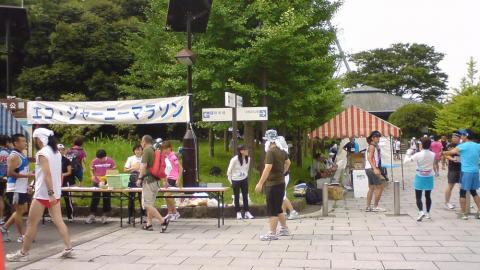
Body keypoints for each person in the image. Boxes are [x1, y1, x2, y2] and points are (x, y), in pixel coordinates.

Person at [6, 128, 73, 262]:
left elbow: (46, 175)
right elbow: (54, 174)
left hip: (43, 194)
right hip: (54, 193)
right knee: (59, 221)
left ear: (40, 139)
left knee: (31, 224)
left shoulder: (42, 153)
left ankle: (23, 254)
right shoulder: (56, 153)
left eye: (35, 139)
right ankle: (68, 248)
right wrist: (54, 192)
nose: (34, 142)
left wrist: (49, 193)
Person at [255, 130, 291, 241]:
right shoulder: (281, 151)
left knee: (272, 210)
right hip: (280, 182)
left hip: (273, 184)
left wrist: (260, 183)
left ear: (268, 141)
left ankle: (272, 233)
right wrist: (283, 172)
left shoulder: (271, 152)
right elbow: (288, 162)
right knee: (278, 207)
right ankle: (284, 228)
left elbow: (267, 168)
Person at [1, 134, 34, 243]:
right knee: (19, 211)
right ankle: (22, 236)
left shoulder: (22, 155)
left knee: (22, 210)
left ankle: (4, 227)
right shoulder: (14, 156)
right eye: (23, 141)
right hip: (15, 188)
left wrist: (27, 184)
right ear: (16, 143)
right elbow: (9, 173)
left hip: (21, 188)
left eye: (25, 141)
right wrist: (27, 176)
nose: (25, 143)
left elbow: (22, 171)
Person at [443, 129, 480, 220]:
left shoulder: (462, 146)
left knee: (462, 193)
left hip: (466, 172)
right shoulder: (478, 146)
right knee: (474, 192)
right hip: (475, 171)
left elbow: (451, 153)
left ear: (466, 136)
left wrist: (442, 153)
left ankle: (463, 214)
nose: (461, 136)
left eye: (462, 135)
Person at [137, 135, 169, 232]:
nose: (141, 144)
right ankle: (149, 224)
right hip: (156, 180)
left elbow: (143, 165)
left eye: (141, 141)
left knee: (147, 205)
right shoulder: (155, 150)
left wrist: (139, 178)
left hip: (148, 180)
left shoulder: (147, 150)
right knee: (150, 204)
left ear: (144, 142)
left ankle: (163, 221)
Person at [404, 137, 435, 221]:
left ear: (421, 144)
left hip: (419, 176)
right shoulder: (433, 154)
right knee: (428, 196)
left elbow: (405, 162)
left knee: (418, 196)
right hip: (429, 176)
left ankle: (421, 211)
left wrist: (407, 153)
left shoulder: (418, 155)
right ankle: (428, 213)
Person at [86, 149, 116, 224]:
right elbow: (91, 169)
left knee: (106, 198)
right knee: (95, 198)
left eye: (101, 158)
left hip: (107, 181)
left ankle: (105, 215)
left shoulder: (110, 161)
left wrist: (107, 179)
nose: (100, 160)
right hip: (97, 181)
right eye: (98, 158)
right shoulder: (94, 161)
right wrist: (92, 176)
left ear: (105, 156)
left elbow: (114, 170)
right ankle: (92, 215)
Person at [275, 136, 299, 220]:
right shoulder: (283, 151)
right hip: (285, 175)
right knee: (283, 194)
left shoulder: (281, 152)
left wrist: (283, 172)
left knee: (282, 195)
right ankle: (284, 212)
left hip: (283, 176)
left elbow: (287, 163)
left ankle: (293, 212)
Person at [227, 145, 254, 220]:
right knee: (236, 196)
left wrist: (245, 175)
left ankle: (247, 211)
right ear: (241, 151)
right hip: (235, 180)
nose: (247, 151)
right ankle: (238, 212)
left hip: (244, 179)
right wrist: (231, 181)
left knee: (245, 195)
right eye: (245, 150)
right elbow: (229, 171)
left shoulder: (248, 158)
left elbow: (246, 169)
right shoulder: (234, 159)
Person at [365, 131, 386, 212]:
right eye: (376, 137)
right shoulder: (372, 146)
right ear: (372, 138)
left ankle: (368, 207)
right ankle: (375, 206)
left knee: (371, 188)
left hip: (368, 168)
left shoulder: (371, 146)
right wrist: (375, 168)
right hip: (372, 168)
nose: (378, 138)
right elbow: (370, 158)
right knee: (379, 187)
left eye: (379, 137)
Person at [124, 144, 145, 224]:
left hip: (142, 178)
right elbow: (125, 170)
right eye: (136, 150)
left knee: (142, 198)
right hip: (132, 179)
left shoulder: (144, 158)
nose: (138, 151)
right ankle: (131, 217)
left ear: (142, 150)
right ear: (134, 151)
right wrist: (132, 168)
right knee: (131, 199)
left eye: (139, 149)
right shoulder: (130, 158)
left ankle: (143, 216)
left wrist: (140, 168)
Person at [162, 140, 182, 221]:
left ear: (170, 148)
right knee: (167, 196)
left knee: (167, 195)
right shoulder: (166, 157)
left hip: (173, 178)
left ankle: (175, 212)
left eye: (166, 148)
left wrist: (178, 179)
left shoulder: (173, 157)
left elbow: (180, 168)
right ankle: (170, 213)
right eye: (164, 149)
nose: (165, 150)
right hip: (168, 178)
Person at [444, 132, 461, 210]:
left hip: (462, 167)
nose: (454, 138)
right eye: (453, 137)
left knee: (463, 186)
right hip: (453, 168)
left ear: (459, 138)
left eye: (456, 137)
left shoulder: (462, 145)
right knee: (450, 185)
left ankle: (464, 201)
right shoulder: (450, 146)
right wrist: (453, 159)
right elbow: (446, 155)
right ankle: (447, 202)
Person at [58, 144, 75, 222]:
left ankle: (70, 216)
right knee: (55, 200)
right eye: (58, 149)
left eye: (62, 149)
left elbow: (69, 172)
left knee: (68, 199)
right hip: (56, 182)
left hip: (65, 182)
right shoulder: (52, 160)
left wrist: (61, 175)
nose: (60, 151)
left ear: (64, 151)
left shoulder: (66, 160)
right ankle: (56, 217)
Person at [0, 135, 11, 224]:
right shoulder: (9, 152)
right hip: (6, 177)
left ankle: (1, 217)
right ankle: (2, 217)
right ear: (6, 142)